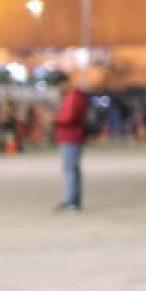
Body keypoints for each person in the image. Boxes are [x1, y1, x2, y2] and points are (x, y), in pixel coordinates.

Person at [53, 76, 89, 211]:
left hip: (70, 136)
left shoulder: (73, 96)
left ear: (64, 83)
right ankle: (73, 200)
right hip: (73, 136)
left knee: (70, 170)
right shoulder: (78, 95)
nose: (59, 89)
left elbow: (68, 118)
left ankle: (72, 201)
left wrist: (54, 118)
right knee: (73, 170)